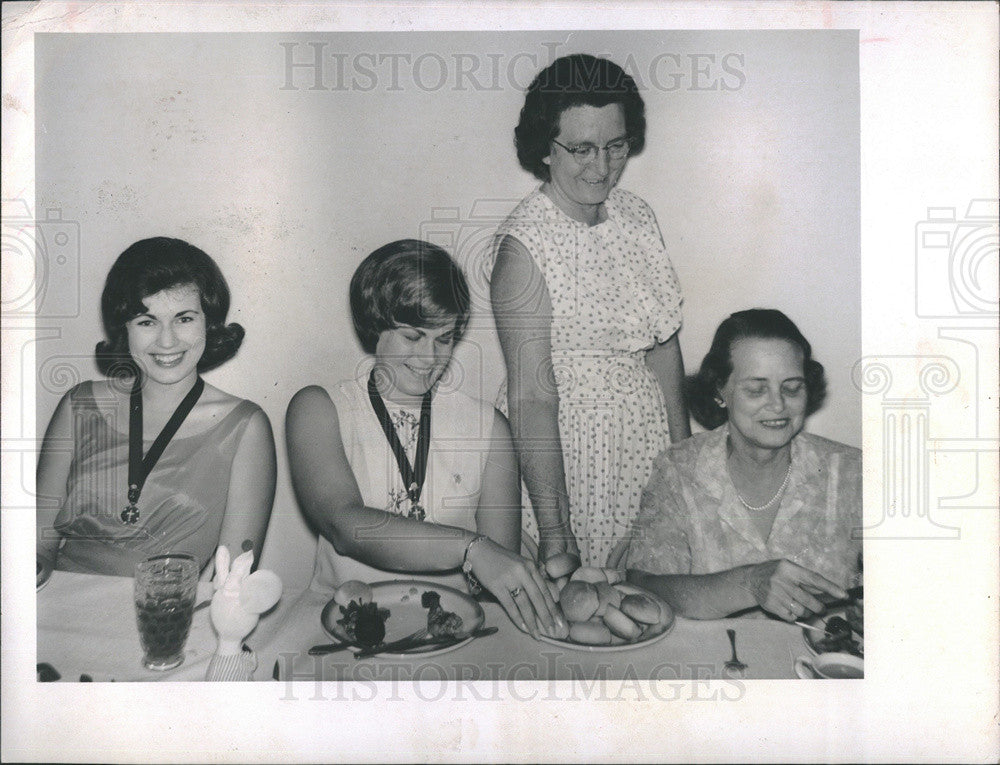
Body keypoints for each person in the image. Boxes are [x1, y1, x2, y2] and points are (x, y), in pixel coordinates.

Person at [286, 240, 564, 638]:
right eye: (413, 336)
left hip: (452, 632)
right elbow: (346, 527)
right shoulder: (319, 409)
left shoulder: (489, 427)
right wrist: (472, 548)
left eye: (444, 338)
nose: (430, 358)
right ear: (373, 325)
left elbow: (496, 581)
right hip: (341, 629)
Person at [489, 53, 690, 569]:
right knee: (578, 620)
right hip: (568, 465)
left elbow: (664, 350)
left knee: (646, 608)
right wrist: (557, 534)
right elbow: (531, 396)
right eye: (581, 148)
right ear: (545, 148)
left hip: (644, 454)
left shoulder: (637, 216)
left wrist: (687, 471)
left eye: (615, 145)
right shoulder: (524, 246)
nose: (602, 167)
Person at [36, 237, 277, 579]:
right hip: (63, 608)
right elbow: (37, 544)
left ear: (208, 322)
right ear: (125, 328)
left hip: (167, 618)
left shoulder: (246, 426)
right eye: (147, 321)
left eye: (184, 319)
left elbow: (233, 577)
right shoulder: (79, 405)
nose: (167, 341)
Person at [626, 309, 861, 621]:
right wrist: (749, 584)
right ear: (719, 391)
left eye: (792, 387)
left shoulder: (851, 472)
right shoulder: (678, 469)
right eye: (756, 389)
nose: (778, 405)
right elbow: (644, 586)